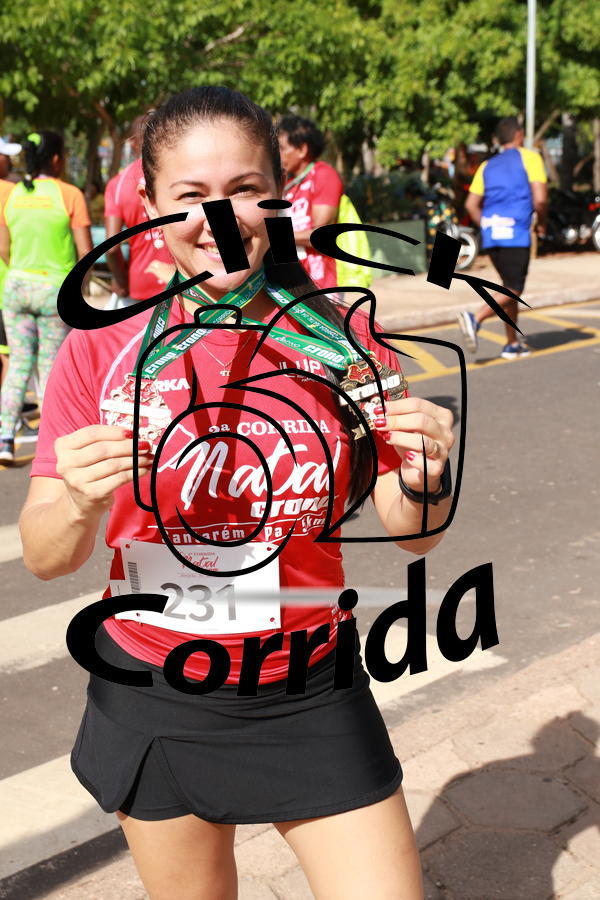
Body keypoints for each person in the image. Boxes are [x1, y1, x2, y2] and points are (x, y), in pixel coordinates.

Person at [19, 87, 455, 899]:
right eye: (190, 197)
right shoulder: (100, 350)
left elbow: (412, 533)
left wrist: (425, 474)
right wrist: (76, 499)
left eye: (246, 191)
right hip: (155, 692)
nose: (220, 220)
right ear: (146, 205)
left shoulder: (344, 341)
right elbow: (46, 556)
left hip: (309, 687)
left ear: (280, 198)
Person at [0, 131, 92, 463]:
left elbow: (3, 249)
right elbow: (85, 254)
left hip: (16, 288)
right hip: (55, 291)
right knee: (51, 368)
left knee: (19, 366)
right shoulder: (70, 194)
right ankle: (49, 445)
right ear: (56, 159)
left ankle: (5, 438)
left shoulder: (11, 196)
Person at [457, 117, 548, 360]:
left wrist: (486, 225)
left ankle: (511, 344)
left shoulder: (487, 166)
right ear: (519, 135)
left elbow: (470, 204)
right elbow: (540, 199)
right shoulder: (530, 158)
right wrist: (543, 223)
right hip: (515, 234)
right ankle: (475, 318)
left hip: (492, 236)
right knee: (514, 288)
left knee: (508, 287)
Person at [104, 115, 175, 308]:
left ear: (134, 144)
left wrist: (120, 280)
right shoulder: (180, 172)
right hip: (184, 283)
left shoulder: (117, 184)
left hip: (140, 285)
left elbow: (111, 247)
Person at [277, 115, 344, 290]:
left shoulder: (323, 174)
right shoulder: (287, 184)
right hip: (294, 282)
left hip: (323, 283)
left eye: (282, 148)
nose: (278, 155)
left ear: (302, 150)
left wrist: (274, 238)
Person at [0, 139, 22, 392]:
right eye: (6, 156)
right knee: (10, 357)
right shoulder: (11, 190)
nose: (11, 162)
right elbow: (5, 249)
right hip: (7, 284)